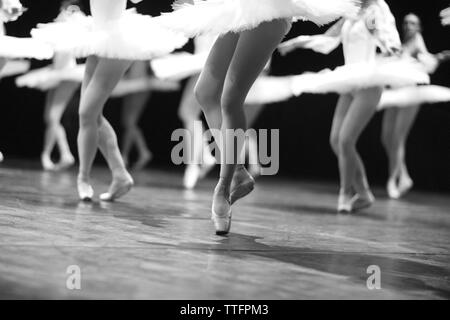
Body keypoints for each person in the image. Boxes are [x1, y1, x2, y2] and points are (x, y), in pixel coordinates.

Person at [156, 0, 359, 234]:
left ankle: (223, 189)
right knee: (205, 93)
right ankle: (238, 172)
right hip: (239, 9)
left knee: (230, 99)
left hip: (267, 11)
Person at [278, 0, 428, 212]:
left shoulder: (378, 9)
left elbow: (388, 35)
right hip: (349, 81)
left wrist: (392, 49)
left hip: (368, 82)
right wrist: (297, 42)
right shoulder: (352, 11)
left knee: (346, 140)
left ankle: (346, 193)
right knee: (335, 141)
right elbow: (330, 39)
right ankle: (364, 192)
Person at [32, 0, 187, 201]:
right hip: (98, 37)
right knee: (92, 116)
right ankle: (120, 175)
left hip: (117, 42)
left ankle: (83, 178)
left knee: (86, 113)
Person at [381, 13, 450, 199]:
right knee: (386, 137)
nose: (408, 25)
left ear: (418, 27)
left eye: (412, 23)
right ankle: (404, 177)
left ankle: (393, 180)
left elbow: (425, 56)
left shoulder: (417, 40)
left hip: (410, 94)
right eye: (406, 22)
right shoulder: (401, 43)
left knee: (397, 138)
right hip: (395, 93)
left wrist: (436, 58)